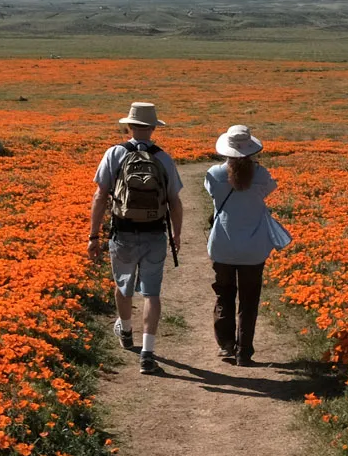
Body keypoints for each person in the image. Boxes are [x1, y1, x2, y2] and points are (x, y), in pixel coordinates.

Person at [89, 101, 184, 375]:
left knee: (123, 284)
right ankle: (148, 352)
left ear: (128, 126)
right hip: (155, 233)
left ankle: (126, 330)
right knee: (151, 293)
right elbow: (174, 201)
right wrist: (176, 234)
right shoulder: (163, 158)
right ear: (154, 127)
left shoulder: (114, 153)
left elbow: (100, 196)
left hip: (123, 232)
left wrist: (93, 235)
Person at [203, 124, 282, 367]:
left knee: (224, 295)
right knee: (249, 300)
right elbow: (267, 191)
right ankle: (244, 352)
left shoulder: (214, 174)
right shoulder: (262, 176)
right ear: (251, 150)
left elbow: (213, 194)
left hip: (223, 247)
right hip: (254, 249)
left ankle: (226, 345)